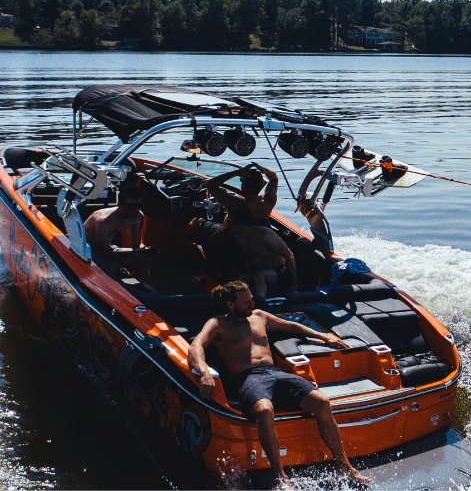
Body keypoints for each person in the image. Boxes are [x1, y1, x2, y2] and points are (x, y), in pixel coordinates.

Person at [188, 281, 370, 486]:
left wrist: (323, 336)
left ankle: (344, 466)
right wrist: (204, 372)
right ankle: (280, 476)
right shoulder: (217, 323)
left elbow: (292, 325)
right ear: (231, 305)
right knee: (265, 410)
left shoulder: (260, 316)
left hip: (275, 373)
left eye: (251, 299)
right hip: (247, 379)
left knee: (321, 402)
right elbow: (195, 347)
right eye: (246, 301)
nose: (252, 303)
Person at [206, 164, 297, 296]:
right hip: (257, 252)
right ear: (261, 185)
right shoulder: (268, 201)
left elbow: (211, 184)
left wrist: (238, 172)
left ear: (243, 186)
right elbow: (274, 178)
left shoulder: (234, 203)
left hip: (244, 251)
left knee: (208, 233)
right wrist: (262, 168)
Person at [85, 178, 154, 278]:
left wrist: (144, 251)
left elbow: (136, 246)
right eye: (130, 206)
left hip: (108, 250)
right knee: (111, 267)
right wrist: (133, 252)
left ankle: (137, 287)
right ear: (120, 204)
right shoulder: (103, 221)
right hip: (90, 254)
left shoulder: (138, 216)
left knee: (144, 259)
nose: (135, 209)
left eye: (139, 205)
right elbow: (103, 251)